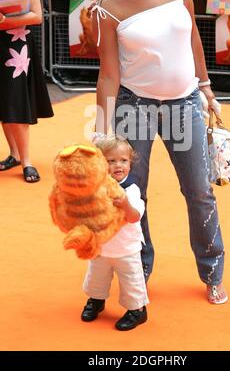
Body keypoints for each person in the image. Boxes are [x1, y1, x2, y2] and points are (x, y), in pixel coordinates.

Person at [91, 0, 228, 305]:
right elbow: (108, 73)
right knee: (134, 192)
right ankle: (139, 270)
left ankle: (213, 272)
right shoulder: (108, 7)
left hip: (185, 102)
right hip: (136, 106)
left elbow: (193, 38)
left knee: (200, 190)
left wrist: (206, 87)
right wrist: (102, 130)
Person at [0, 0, 53, 181]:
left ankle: (27, 161)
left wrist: (4, 21)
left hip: (17, 46)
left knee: (15, 100)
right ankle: (14, 154)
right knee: (3, 101)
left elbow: (37, 16)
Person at [81, 136, 149, 331]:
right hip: (102, 246)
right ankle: (96, 300)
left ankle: (137, 310)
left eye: (123, 160)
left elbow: (135, 217)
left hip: (126, 248)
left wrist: (126, 205)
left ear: (130, 162)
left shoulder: (132, 189)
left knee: (131, 280)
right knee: (96, 276)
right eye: (111, 161)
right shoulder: (97, 186)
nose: (118, 165)